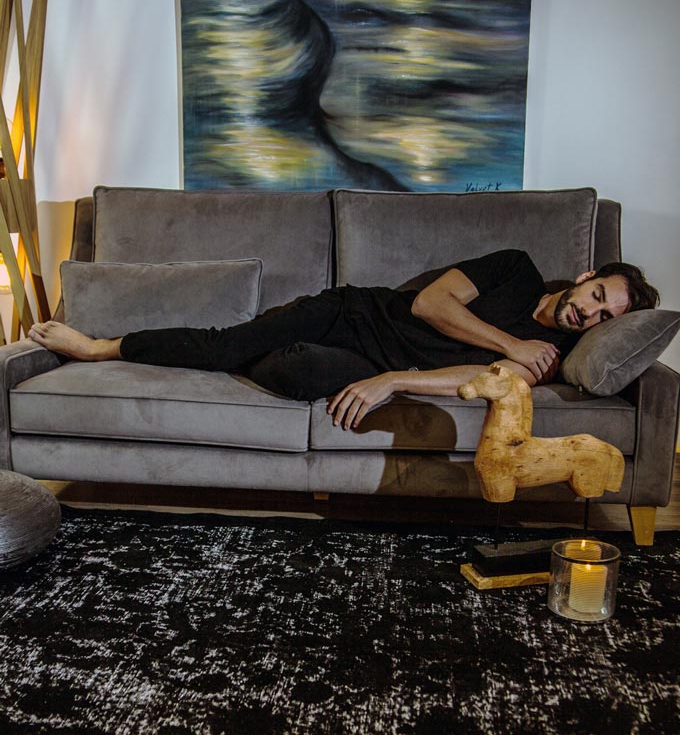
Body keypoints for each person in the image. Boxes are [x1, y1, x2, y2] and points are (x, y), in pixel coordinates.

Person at [28, 249, 659, 431]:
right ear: (585, 278)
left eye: (607, 318)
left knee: (305, 378)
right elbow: (429, 302)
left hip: (365, 360)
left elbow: (483, 382)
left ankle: (266, 359)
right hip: (350, 314)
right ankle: (100, 346)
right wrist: (510, 343)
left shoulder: (553, 358)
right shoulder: (517, 269)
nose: (592, 314)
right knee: (225, 345)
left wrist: (394, 381)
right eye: (598, 296)